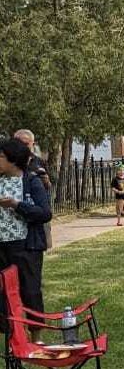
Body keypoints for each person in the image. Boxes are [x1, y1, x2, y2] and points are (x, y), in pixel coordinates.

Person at [0, 139, 52, 326]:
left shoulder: (31, 181)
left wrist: (16, 205)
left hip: (25, 247)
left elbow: (45, 213)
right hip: (2, 247)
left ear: (13, 159)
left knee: (30, 292)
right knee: (3, 296)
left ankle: (36, 336)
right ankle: (12, 339)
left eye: (1, 156)